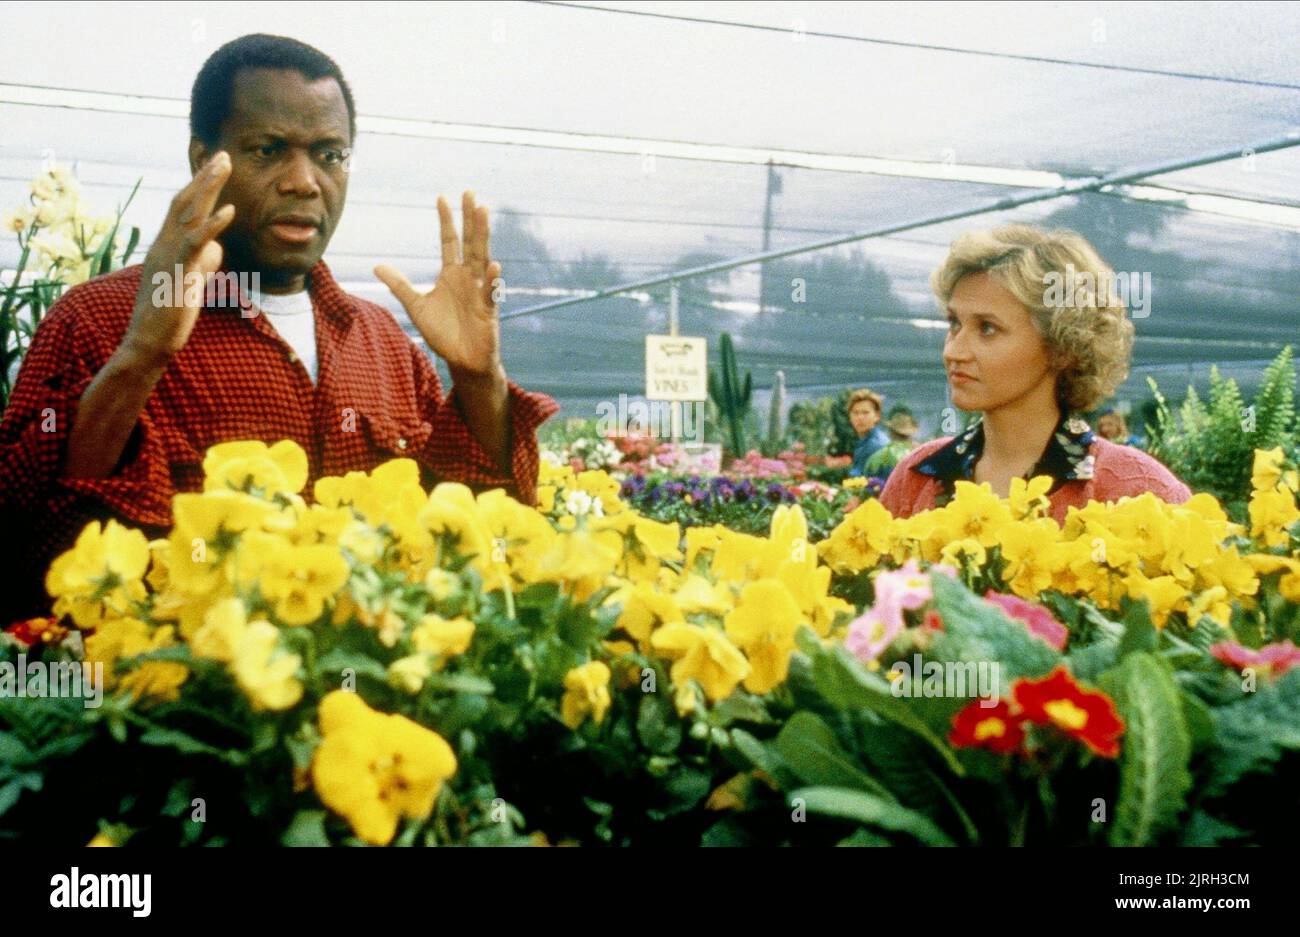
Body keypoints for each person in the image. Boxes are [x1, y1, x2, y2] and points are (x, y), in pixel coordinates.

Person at [0, 34, 558, 622]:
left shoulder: (383, 342)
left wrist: (478, 379)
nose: (305, 181)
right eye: (268, 150)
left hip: (364, 701)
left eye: (330, 154)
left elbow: (478, 543)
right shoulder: (96, 321)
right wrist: (141, 356)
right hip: (181, 705)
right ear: (202, 161)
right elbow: (23, 546)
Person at [880, 225, 1191, 524]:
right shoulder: (917, 478)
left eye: (987, 328)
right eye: (954, 324)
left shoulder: (1140, 494)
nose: (953, 352)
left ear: (1061, 346)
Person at [846, 388, 889, 477]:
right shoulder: (864, 441)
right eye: (855, 412)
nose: (860, 417)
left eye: (865, 413)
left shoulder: (876, 444)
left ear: (877, 416)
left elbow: (862, 484)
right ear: (850, 416)